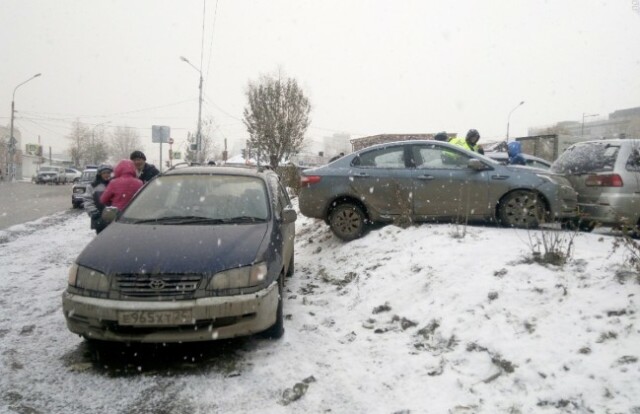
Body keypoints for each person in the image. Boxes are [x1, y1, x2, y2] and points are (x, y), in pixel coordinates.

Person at [83, 164, 113, 234]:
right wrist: (92, 211)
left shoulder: (114, 184)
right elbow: (88, 200)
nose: (106, 175)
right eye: (104, 173)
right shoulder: (93, 186)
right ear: (99, 174)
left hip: (113, 217)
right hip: (99, 216)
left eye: (108, 173)